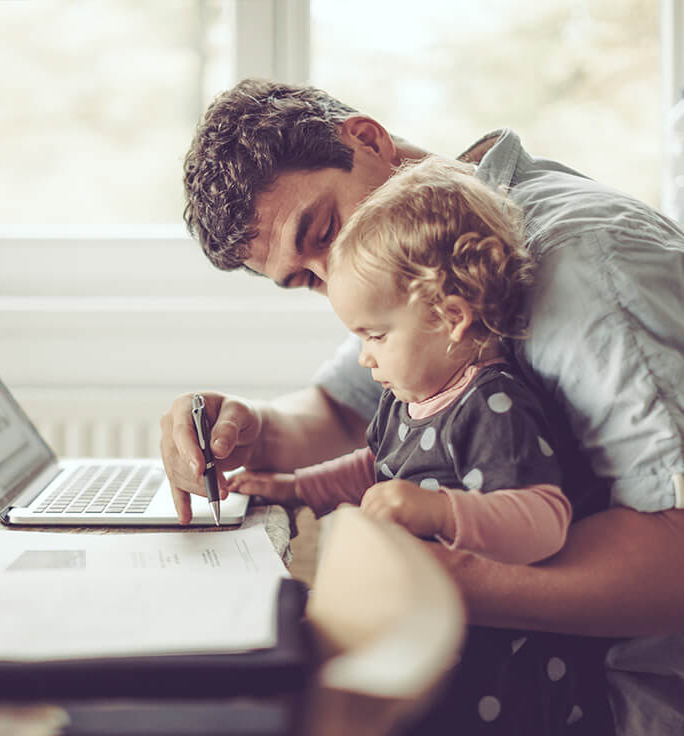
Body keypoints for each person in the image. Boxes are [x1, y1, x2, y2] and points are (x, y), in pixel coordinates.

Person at [161, 79, 684, 733]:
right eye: (305, 281)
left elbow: (677, 553)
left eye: (323, 233)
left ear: (369, 139)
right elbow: (343, 413)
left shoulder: (583, 266)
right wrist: (245, 429)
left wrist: (437, 579)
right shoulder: (413, 253)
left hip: (622, 704)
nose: (334, 284)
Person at [229, 154, 575, 569]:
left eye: (375, 336)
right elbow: (375, 468)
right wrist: (296, 489)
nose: (364, 357)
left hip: (483, 626)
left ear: (451, 318)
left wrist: (439, 510)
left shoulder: (492, 406)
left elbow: (545, 522)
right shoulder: (406, 400)